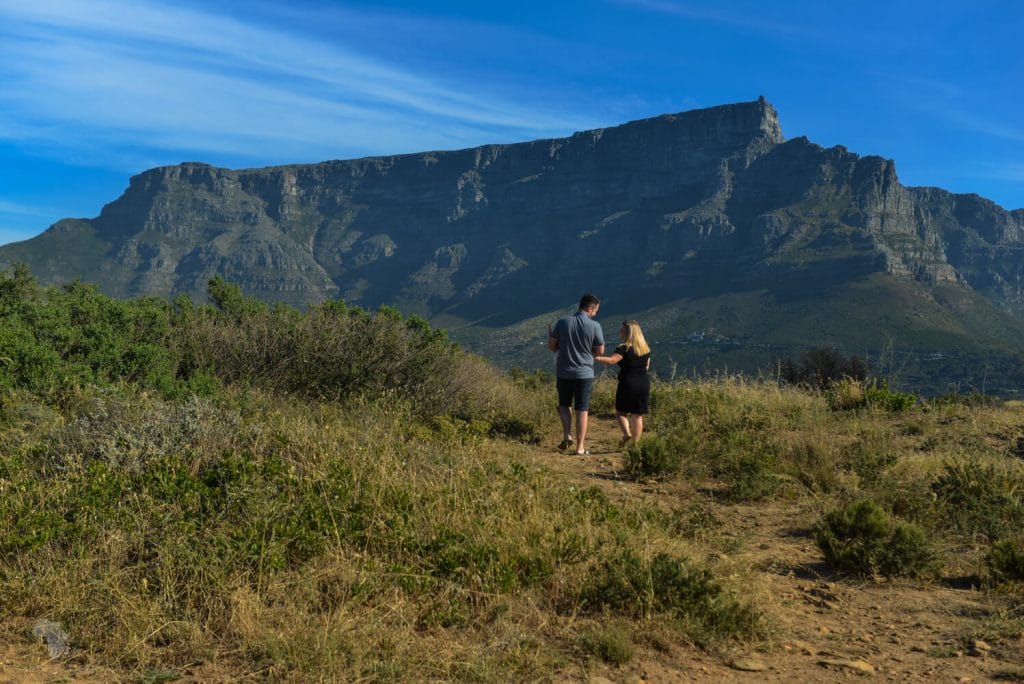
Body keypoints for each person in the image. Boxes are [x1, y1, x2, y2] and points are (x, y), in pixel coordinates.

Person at [548, 293, 605, 455]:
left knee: (564, 405)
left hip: (564, 372)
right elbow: (600, 351)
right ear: (589, 308)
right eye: (595, 311)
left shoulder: (562, 322)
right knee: (582, 408)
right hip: (584, 373)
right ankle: (580, 447)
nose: (595, 314)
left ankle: (567, 434)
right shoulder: (595, 326)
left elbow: (552, 347)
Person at [595, 320, 651, 447]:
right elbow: (646, 366)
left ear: (627, 333)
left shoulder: (623, 348)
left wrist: (595, 357)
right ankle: (635, 444)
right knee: (637, 415)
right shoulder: (645, 349)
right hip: (643, 383)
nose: (620, 331)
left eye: (622, 330)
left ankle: (626, 434)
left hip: (628, 383)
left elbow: (611, 360)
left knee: (621, 412)